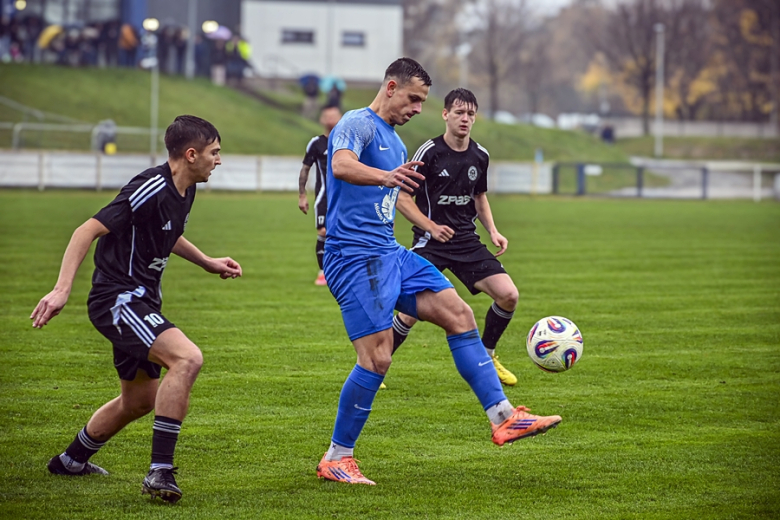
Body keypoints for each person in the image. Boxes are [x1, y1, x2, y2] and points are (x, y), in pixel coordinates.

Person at [315, 58, 562, 486]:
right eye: (413, 99)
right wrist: (386, 177)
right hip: (354, 257)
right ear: (390, 87)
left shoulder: (394, 139)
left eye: (422, 102)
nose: (416, 108)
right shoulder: (359, 123)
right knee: (377, 358)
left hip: (388, 252)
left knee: (460, 315)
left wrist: (393, 181)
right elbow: (341, 165)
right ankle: (338, 457)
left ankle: (504, 418)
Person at [31, 115, 242, 504]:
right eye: (214, 152)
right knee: (188, 358)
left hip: (142, 299)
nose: (218, 160)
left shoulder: (185, 190)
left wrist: (208, 261)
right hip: (118, 298)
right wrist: (62, 289)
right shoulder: (150, 186)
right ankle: (160, 471)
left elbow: (168, 232)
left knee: (140, 401)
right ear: (191, 154)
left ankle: (71, 460)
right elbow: (86, 230)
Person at [392, 88, 519, 386]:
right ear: (445, 114)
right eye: (459, 113)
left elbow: (480, 197)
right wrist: (431, 227)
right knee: (411, 312)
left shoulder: (480, 155)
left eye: (471, 114)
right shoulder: (429, 153)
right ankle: (378, 364)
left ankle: (488, 356)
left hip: (466, 243)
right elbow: (402, 198)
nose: (465, 119)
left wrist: (494, 231)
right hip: (430, 244)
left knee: (509, 295)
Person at [298, 104, 342, 285]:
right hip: (324, 195)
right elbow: (305, 169)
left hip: (345, 196)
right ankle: (323, 272)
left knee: (344, 232)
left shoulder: (346, 142)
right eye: (327, 115)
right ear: (322, 119)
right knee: (323, 230)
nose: (331, 118)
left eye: (334, 115)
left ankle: (342, 270)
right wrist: (302, 195)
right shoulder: (316, 143)